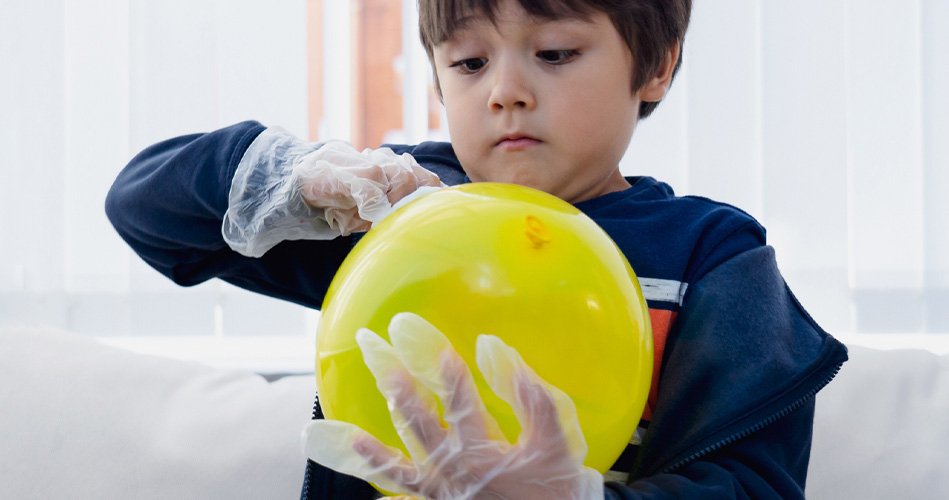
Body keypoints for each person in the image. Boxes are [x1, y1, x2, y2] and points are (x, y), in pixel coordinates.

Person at [105, 0, 848, 498]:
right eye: (468, 64)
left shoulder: (711, 255)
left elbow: (754, 485)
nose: (505, 91)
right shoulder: (400, 216)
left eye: (554, 52)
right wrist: (297, 185)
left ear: (655, 65)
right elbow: (144, 209)